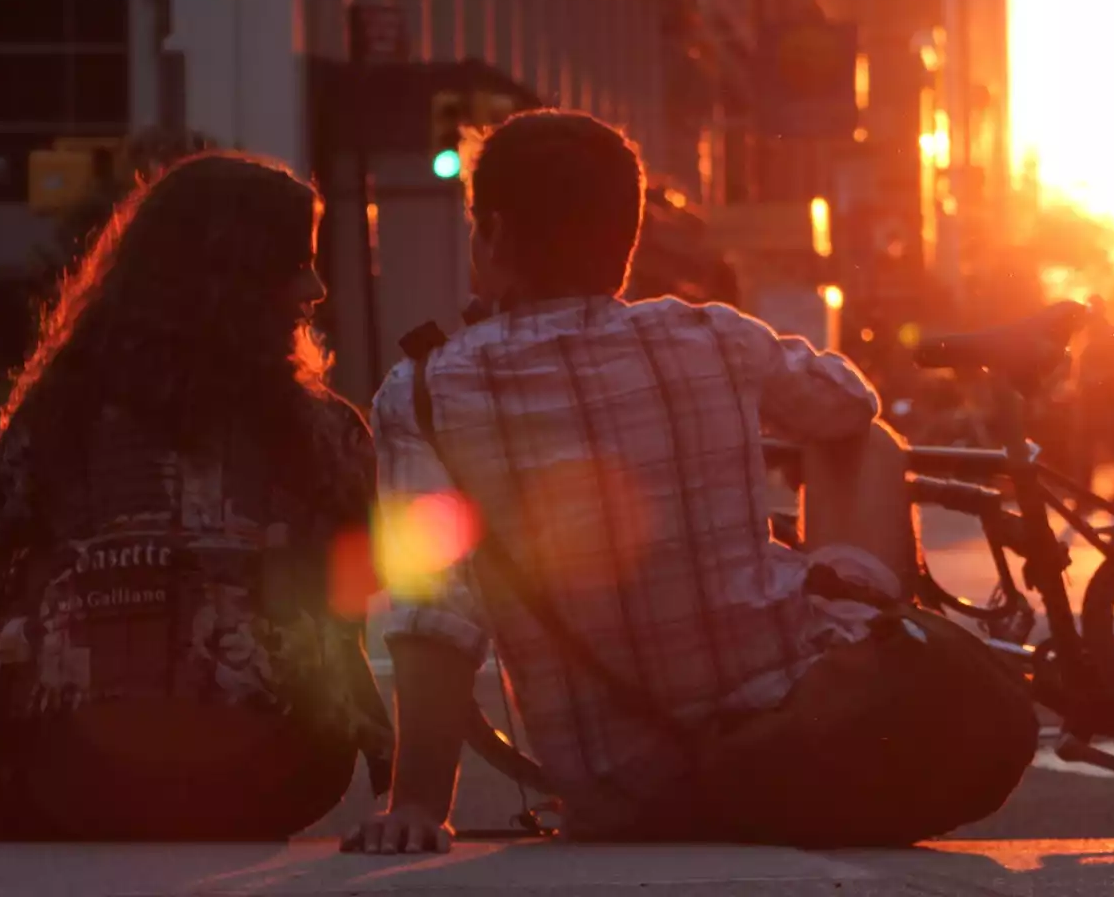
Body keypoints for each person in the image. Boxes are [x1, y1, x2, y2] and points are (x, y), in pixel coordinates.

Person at [346, 111, 1034, 854]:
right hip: (803, 718)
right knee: (869, 443)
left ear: (496, 236)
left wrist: (416, 803)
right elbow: (849, 406)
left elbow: (433, 611)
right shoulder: (709, 334)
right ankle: (873, 640)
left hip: (619, 789)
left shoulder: (423, 393)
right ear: (628, 242)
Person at [0, 153, 392, 842]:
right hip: (277, 771)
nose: (316, 289)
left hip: (65, 769)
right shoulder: (324, 430)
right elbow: (360, 584)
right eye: (298, 264)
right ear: (242, 280)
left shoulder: (57, 412)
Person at [1072, 296, 1114, 490]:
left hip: (1105, 403)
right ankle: (1083, 496)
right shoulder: (1086, 334)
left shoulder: (1112, 336)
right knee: (1083, 453)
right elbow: (1078, 366)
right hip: (1087, 402)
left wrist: (1096, 379)